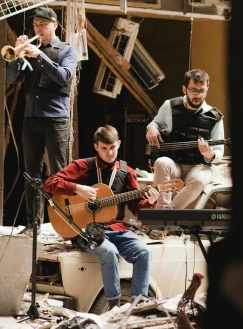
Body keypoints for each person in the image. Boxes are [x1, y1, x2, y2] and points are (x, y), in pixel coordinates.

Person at [44, 125, 159, 309]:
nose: (109, 152)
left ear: (119, 144)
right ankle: (113, 306)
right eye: (104, 148)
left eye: (113, 147)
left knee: (144, 252)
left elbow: (137, 208)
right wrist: (77, 189)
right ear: (96, 147)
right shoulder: (83, 166)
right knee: (109, 252)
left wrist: (151, 202)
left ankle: (139, 306)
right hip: (86, 229)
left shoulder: (126, 172)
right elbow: (50, 183)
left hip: (116, 228)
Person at [6, 6, 79, 232]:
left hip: (56, 118)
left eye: (43, 25)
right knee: (31, 173)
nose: (38, 29)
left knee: (60, 172)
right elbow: (12, 77)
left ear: (54, 25)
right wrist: (17, 55)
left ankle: (65, 222)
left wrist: (41, 56)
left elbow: (63, 76)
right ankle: (33, 225)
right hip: (31, 117)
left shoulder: (67, 50)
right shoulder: (30, 51)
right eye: (35, 25)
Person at [146, 69, 225, 210]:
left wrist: (210, 155)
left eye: (202, 91)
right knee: (161, 162)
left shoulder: (215, 117)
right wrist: (151, 127)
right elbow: (155, 123)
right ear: (184, 89)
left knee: (201, 180)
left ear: (207, 90)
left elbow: (219, 152)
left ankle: (165, 214)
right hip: (174, 164)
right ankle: (162, 211)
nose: (198, 95)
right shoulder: (169, 106)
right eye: (193, 90)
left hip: (198, 166)